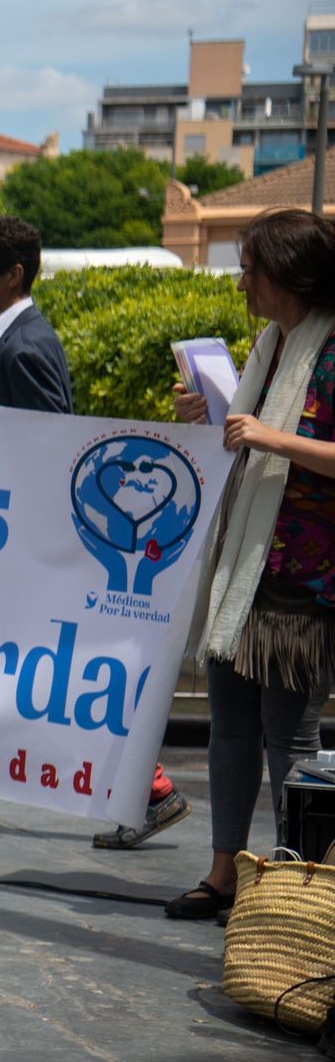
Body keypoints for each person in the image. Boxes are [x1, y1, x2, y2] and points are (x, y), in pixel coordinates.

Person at [0, 215, 188, 845]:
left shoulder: (24, 345)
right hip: (10, 538)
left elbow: (54, 444)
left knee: (53, 670)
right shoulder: (13, 338)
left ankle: (150, 787)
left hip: (22, 542)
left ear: (11, 274)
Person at [163, 209, 335, 920]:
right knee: (229, 724)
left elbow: (288, 446)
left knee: (287, 730)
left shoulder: (328, 354)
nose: (241, 283)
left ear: (289, 275)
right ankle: (225, 871)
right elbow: (248, 443)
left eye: (249, 269)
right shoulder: (273, 345)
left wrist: (270, 434)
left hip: (302, 581)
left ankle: (296, 885)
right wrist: (212, 416)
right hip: (245, 569)